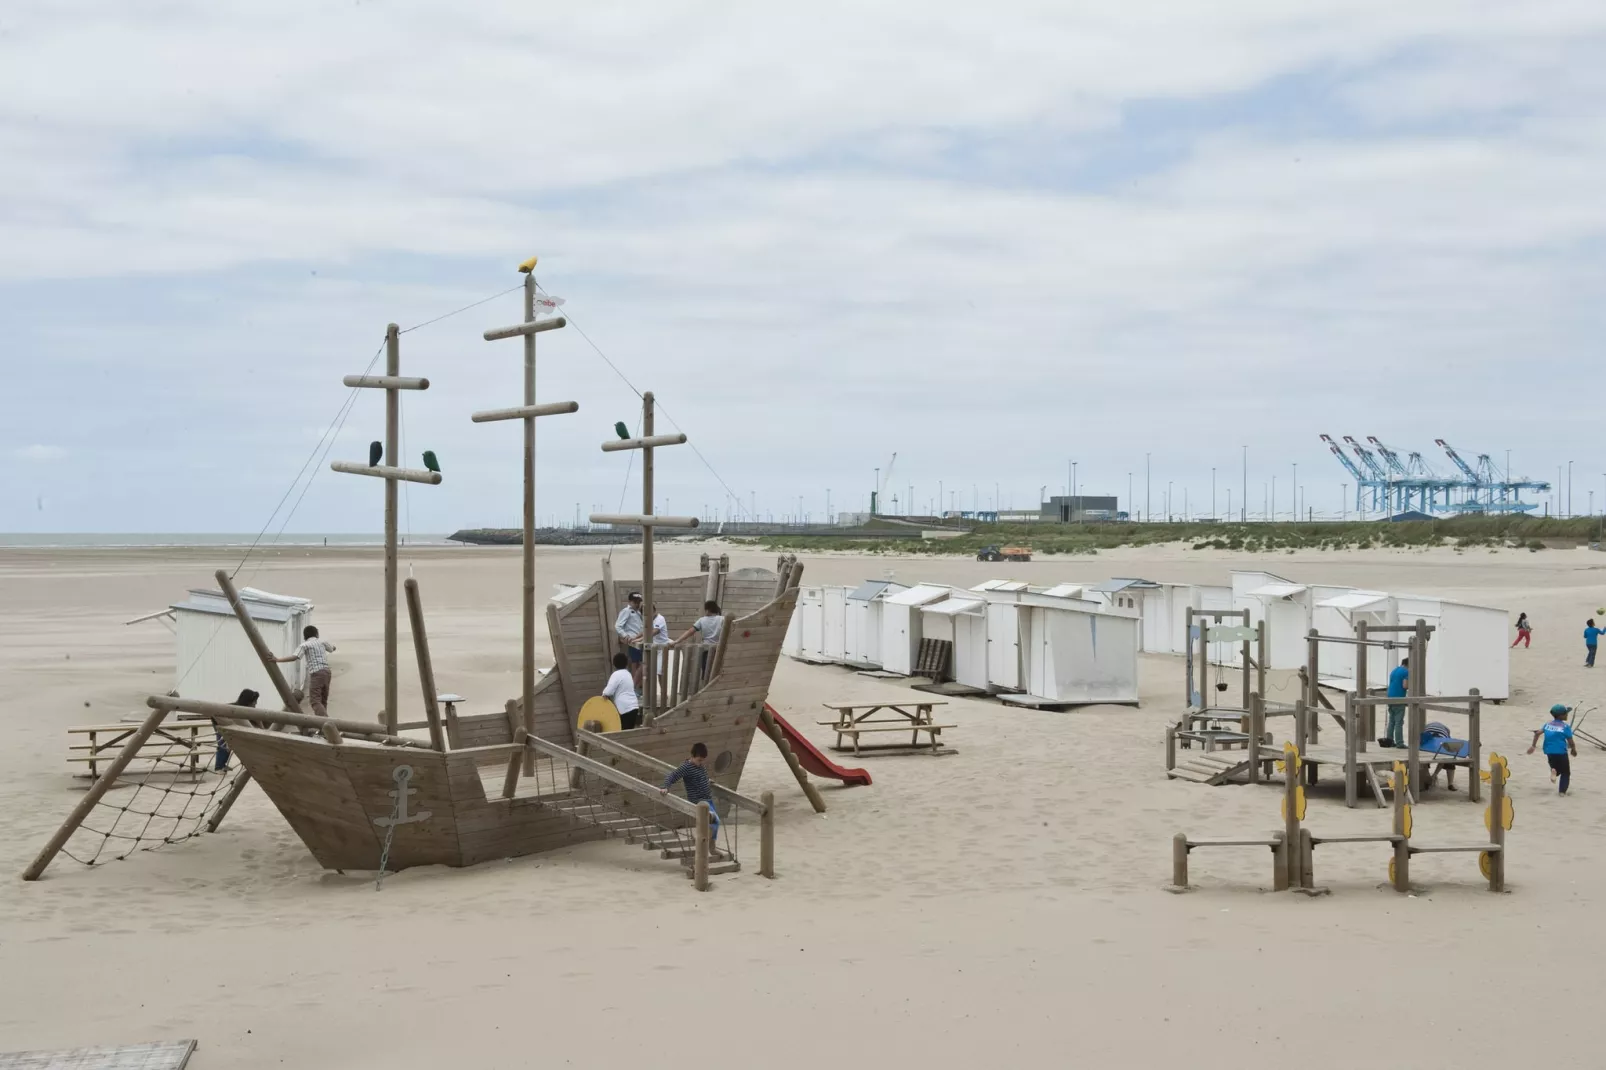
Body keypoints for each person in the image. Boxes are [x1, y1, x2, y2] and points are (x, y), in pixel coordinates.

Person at [660, 741, 720, 845]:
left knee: (714, 823)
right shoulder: (686, 767)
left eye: (702, 760)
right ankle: (705, 845)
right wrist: (665, 787)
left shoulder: (700, 766)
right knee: (714, 821)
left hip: (708, 799)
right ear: (692, 756)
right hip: (699, 801)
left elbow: (701, 776)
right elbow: (672, 776)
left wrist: (707, 780)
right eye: (699, 760)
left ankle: (710, 846)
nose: (701, 763)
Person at [274, 625, 336, 716]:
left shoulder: (305, 645)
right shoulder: (322, 642)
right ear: (316, 634)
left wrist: (278, 660)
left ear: (305, 636)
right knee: (323, 700)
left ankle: (326, 723)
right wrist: (334, 647)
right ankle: (323, 727)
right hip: (327, 672)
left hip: (316, 673)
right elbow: (331, 649)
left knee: (315, 701)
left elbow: (295, 657)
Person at [1528, 703, 1578, 794]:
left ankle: (1553, 770)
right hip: (1561, 752)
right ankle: (1562, 792)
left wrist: (1533, 746)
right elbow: (1570, 741)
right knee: (1565, 773)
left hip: (1549, 751)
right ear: (1561, 716)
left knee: (1555, 767)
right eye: (1566, 713)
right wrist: (1573, 749)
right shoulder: (1565, 727)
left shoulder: (1547, 724)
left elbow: (1537, 733)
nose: (1567, 715)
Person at [675, 601, 724, 680]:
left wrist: (677, 641)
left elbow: (690, 631)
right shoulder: (722, 619)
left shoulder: (702, 620)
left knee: (706, 674)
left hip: (707, 650)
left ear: (707, 610)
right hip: (719, 650)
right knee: (718, 674)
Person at [213, 688, 259, 770]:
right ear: (248, 702)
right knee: (224, 744)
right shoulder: (237, 709)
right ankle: (219, 766)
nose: (256, 703)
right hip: (219, 722)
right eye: (254, 701)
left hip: (225, 723)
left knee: (229, 744)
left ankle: (222, 765)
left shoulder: (243, 709)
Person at [601, 652, 642, 730]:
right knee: (630, 731)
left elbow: (608, 691)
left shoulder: (616, 675)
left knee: (623, 732)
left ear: (614, 664)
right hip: (634, 706)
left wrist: (604, 694)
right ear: (626, 664)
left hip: (624, 708)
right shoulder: (628, 674)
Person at [615, 592, 645, 688]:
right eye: (635, 602)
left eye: (638, 602)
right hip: (633, 642)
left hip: (640, 640)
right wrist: (626, 636)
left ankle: (639, 686)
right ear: (630, 601)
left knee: (640, 662)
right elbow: (618, 626)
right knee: (636, 663)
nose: (637, 604)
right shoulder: (626, 611)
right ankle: (635, 687)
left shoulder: (639, 612)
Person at [1381, 656, 1408, 748]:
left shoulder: (1394, 670)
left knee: (1391, 721)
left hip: (1390, 698)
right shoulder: (1406, 672)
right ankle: (1400, 743)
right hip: (1399, 698)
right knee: (1398, 722)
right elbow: (1405, 686)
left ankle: (1390, 741)